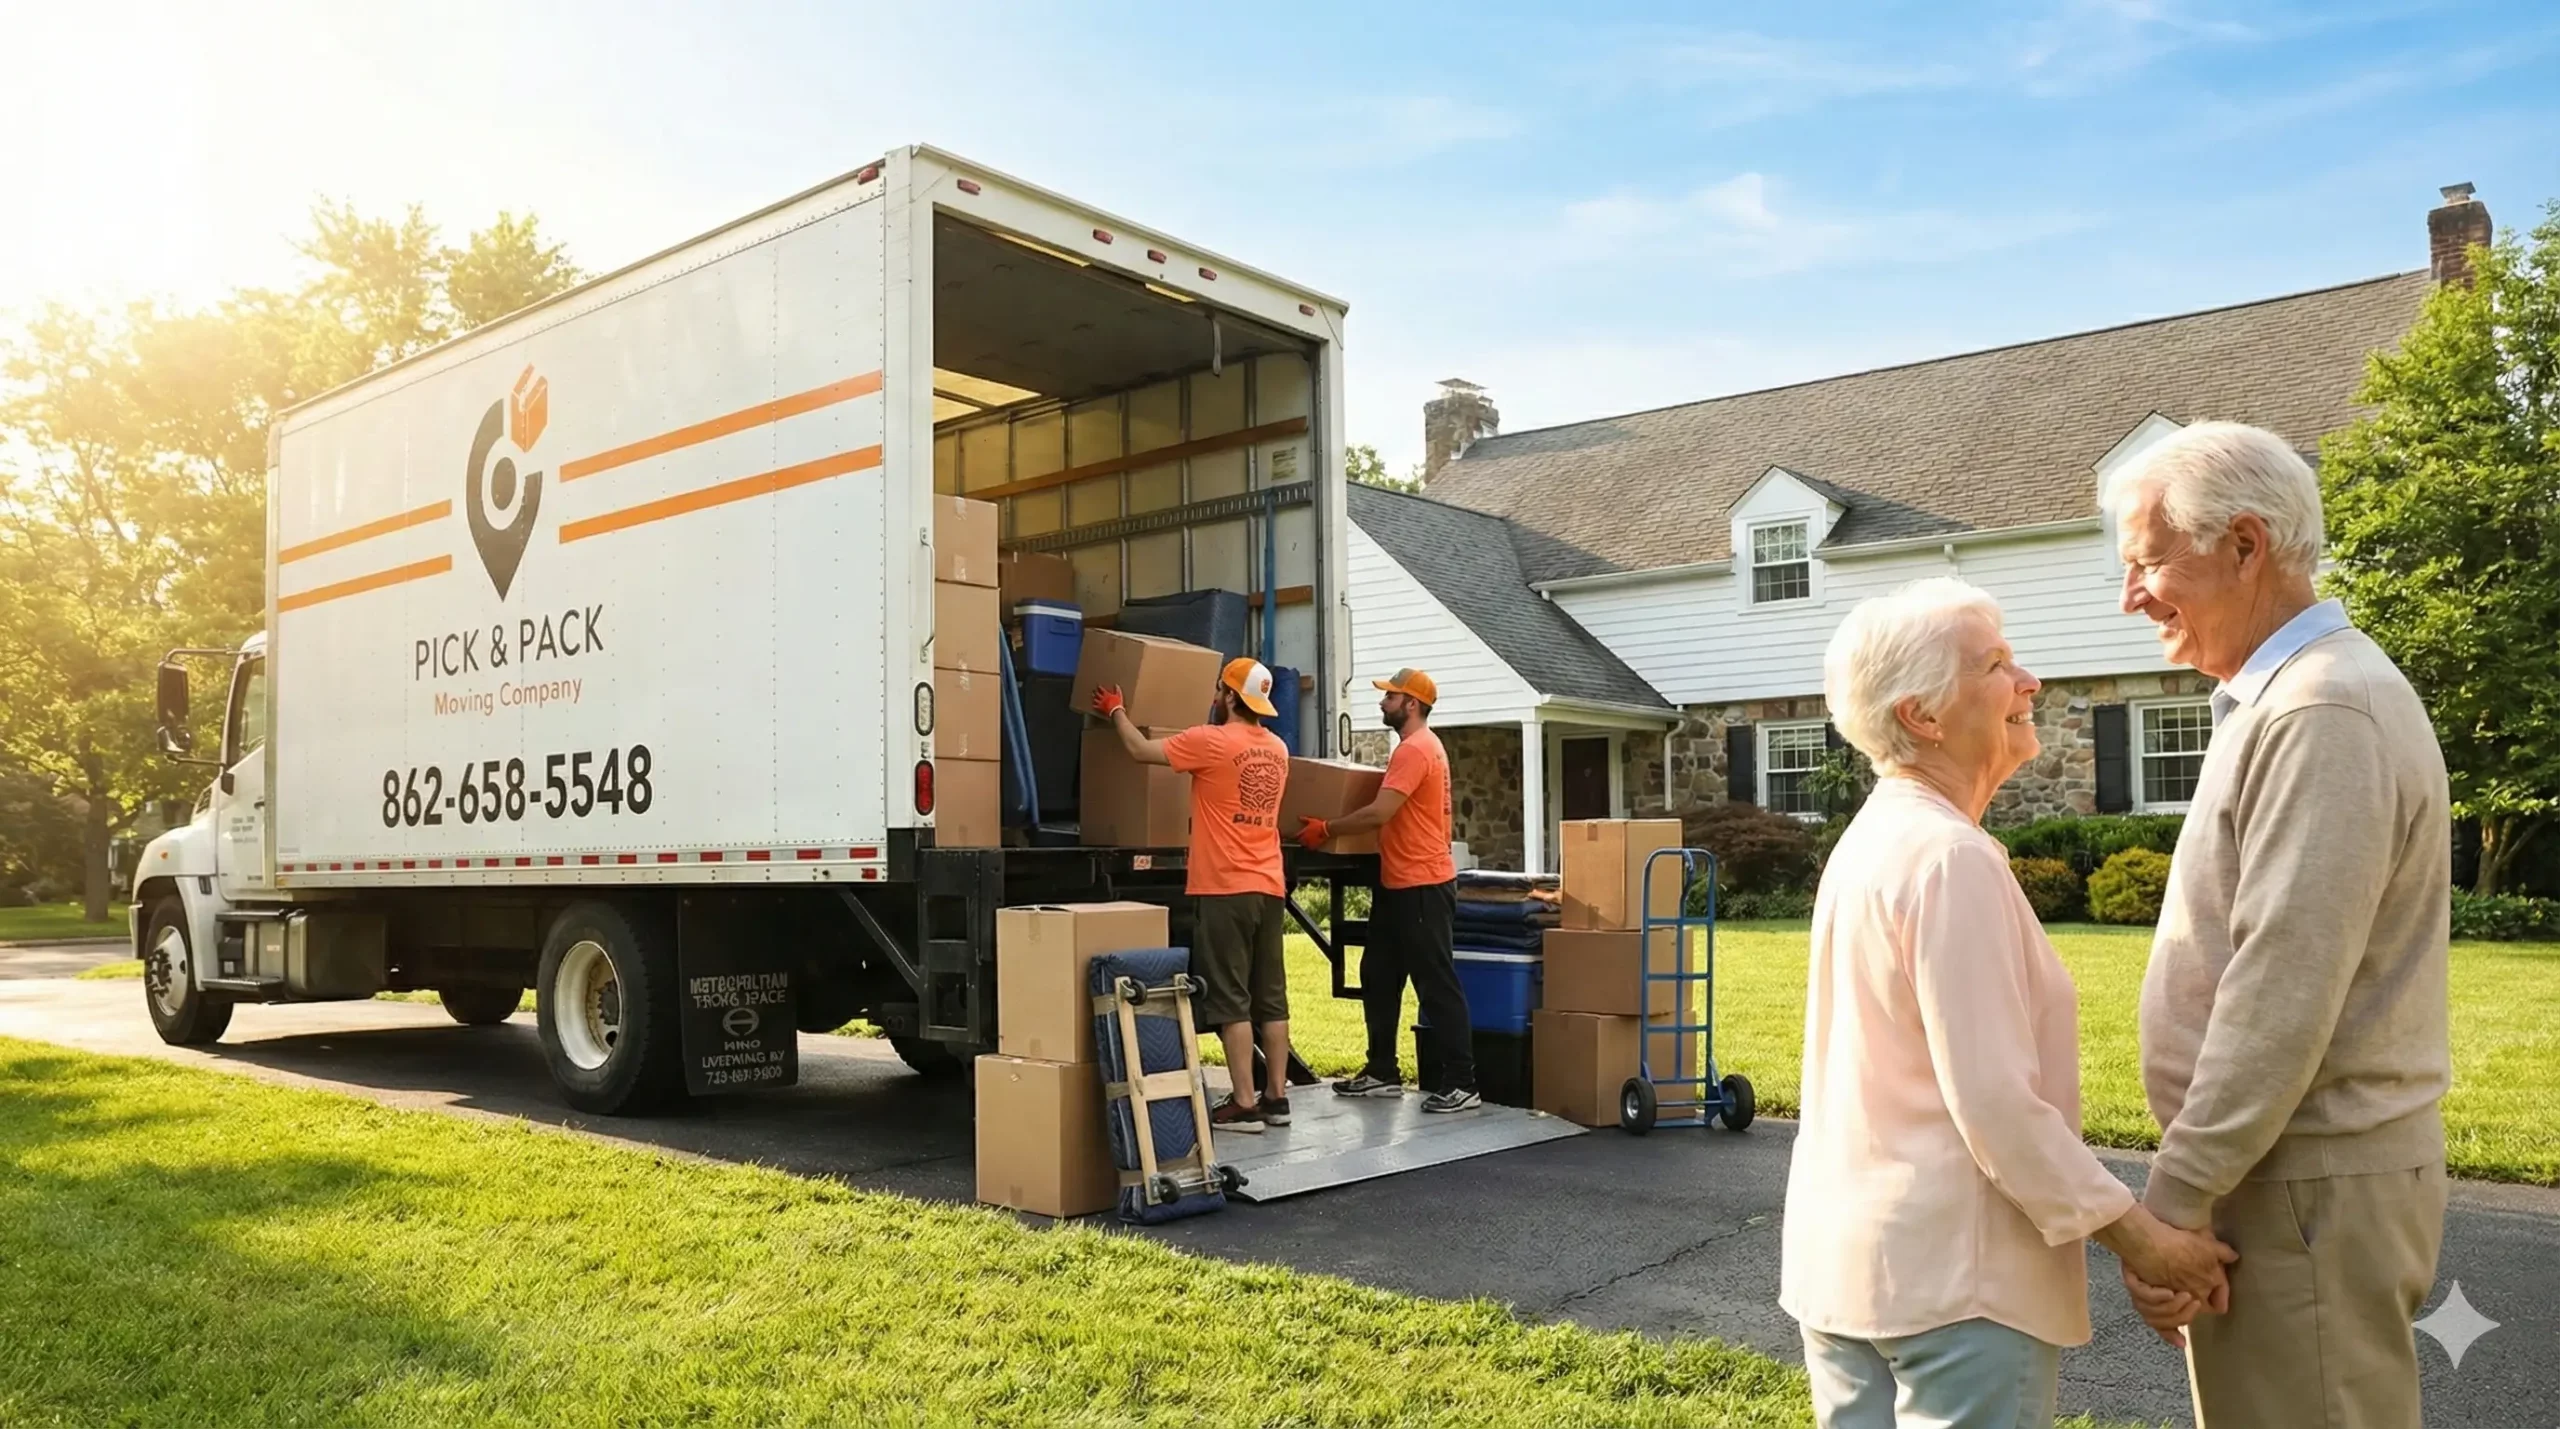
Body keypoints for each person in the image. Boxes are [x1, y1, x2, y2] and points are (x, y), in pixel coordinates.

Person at [1782, 576, 2237, 1429]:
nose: (2028, 681)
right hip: (1960, 1286)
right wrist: (2144, 1239)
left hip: (1850, 1272)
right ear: (1922, 714)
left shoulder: (1873, 839)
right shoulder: (1950, 856)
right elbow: (1994, 1101)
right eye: (1996, 664)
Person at [2109, 421, 2452, 1428]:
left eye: (2146, 561)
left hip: (2301, 1186)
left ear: (2244, 545)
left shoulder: (2319, 710)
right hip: (2288, 1182)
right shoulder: (2289, 700)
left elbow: (2280, 993)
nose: (2129, 596)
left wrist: (2174, 1200)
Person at [1093, 658, 1294, 1133]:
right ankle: (1276, 1097)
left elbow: (1141, 750)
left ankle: (1244, 1103)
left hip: (1225, 886)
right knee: (1272, 997)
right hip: (1269, 886)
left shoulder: (1211, 742)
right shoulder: (1279, 749)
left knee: (1230, 998)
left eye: (1220, 690)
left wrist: (1116, 710)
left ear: (1228, 696)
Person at [1296, 668, 1478, 1114]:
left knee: (1435, 984)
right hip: (1398, 882)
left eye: (1390, 697)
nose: (1382, 703)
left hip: (1422, 884)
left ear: (1411, 704)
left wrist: (1328, 828)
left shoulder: (1417, 750)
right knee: (1378, 975)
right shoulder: (1415, 748)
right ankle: (1382, 1071)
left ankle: (1462, 1082)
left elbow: (1380, 812)